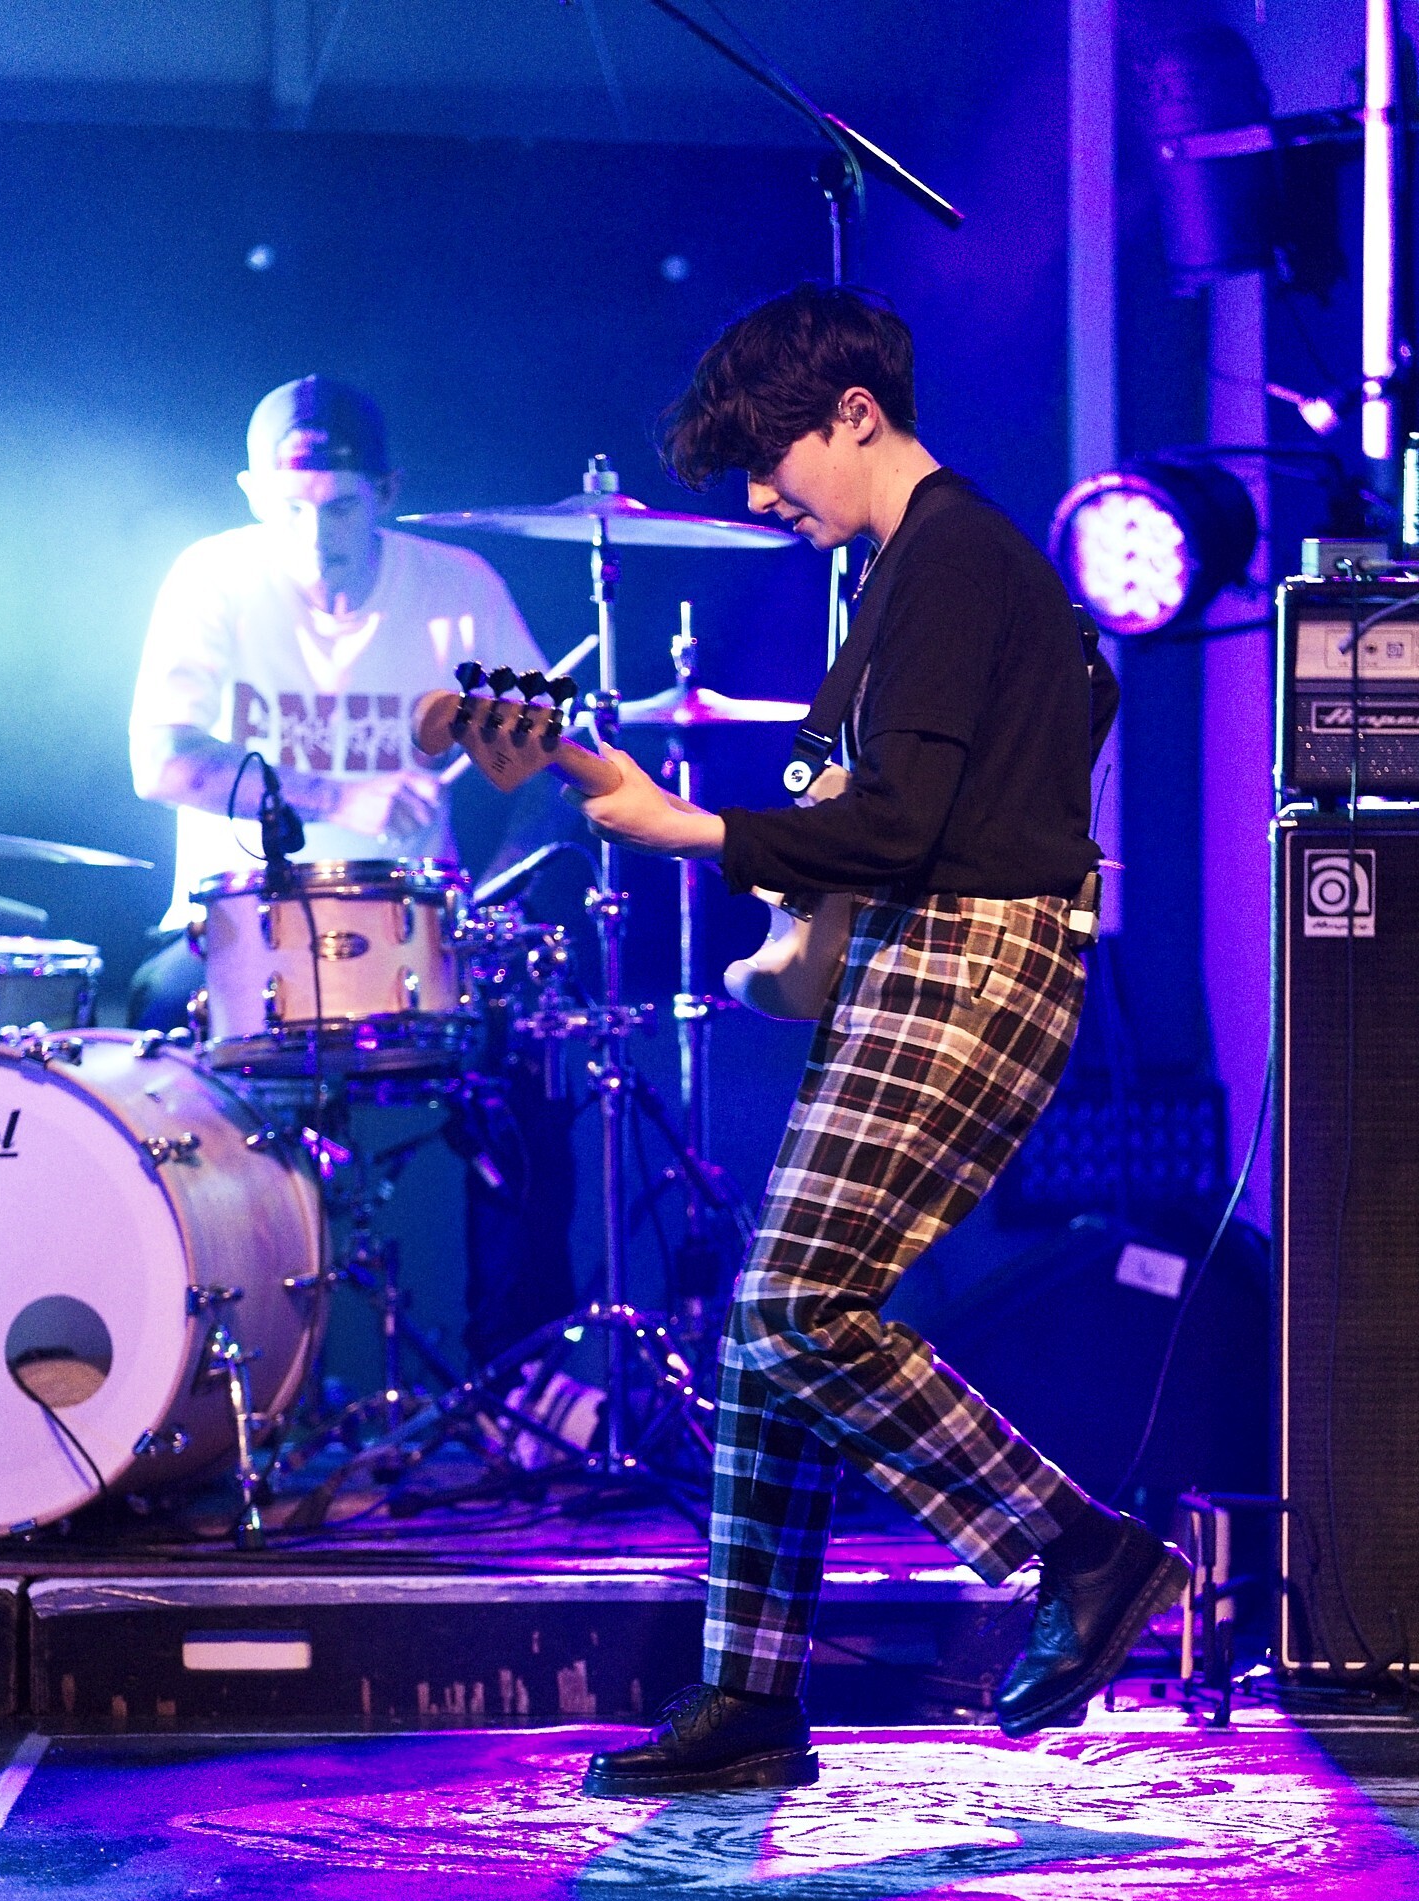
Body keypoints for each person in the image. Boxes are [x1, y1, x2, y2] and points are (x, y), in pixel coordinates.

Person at [575, 286, 1191, 1797]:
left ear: (856, 414)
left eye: (769, 456)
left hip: (972, 960)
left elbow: (905, 824)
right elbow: (903, 806)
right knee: (766, 1325)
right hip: (931, 954)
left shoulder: (955, 558)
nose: (757, 495)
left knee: (795, 1312)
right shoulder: (906, 572)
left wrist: (686, 826)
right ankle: (750, 1695)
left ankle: (1083, 1551)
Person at [129, 374, 575, 1361]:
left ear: (386, 492)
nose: (314, 535)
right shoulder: (212, 579)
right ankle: (194, 1370)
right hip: (241, 932)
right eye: (289, 509)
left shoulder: (455, 591)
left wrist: (501, 889)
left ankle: (516, 1376)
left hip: (417, 940)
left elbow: (559, 757)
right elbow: (161, 762)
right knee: (154, 1028)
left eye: (338, 508)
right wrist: (337, 797)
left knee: (532, 1053)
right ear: (251, 493)